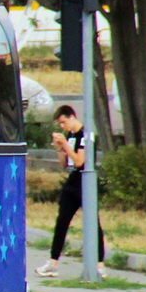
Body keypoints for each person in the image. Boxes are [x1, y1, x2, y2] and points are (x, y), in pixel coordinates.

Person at [36, 104, 106, 278]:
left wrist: (66, 144)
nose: (62, 126)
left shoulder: (86, 134)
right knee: (62, 221)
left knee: (92, 222)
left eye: (63, 122)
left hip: (85, 181)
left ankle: (99, 264)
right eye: (59, 124)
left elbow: (79, 161)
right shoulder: (71, 135)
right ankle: (53, 262)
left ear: (72, 117)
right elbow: (65, 163)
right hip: (72, 181)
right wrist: (59, 147)